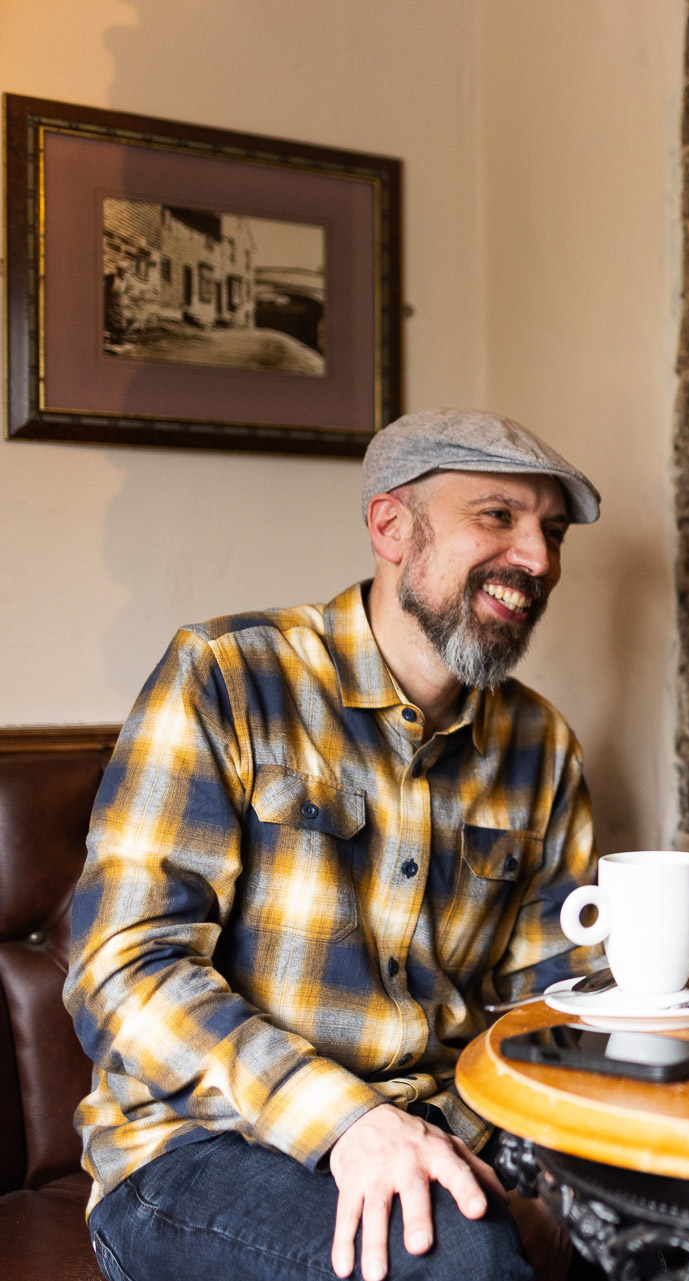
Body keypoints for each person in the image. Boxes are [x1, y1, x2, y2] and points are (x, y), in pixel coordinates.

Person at [67, 410, 606, 1281]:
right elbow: (124, 968)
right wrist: (349, 1120)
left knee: (675, 1225)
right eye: (498, 516)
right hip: (195, 1150)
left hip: (441, 1139)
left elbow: (551, 1006)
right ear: (391, 526)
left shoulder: (542, 746)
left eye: (550, 531)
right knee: (458, 1256)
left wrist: (551, 1192)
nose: (539, 559)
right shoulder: (226, 676)